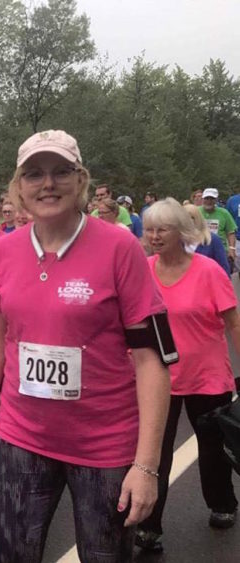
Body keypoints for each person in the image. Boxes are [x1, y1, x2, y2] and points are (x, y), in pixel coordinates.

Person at [0, 130, 171, 563]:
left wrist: (146, 465)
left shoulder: (120, 248)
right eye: (34, 174)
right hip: (20, 439)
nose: (48, 184)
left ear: (80, 180)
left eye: (61, 171)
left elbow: (151, 359)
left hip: (104, 448)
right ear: (18, 188)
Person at [137, 198, 239, 551]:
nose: (153, 236)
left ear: (181, 232)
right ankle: (149, 526)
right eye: (149, 229)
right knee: (154, 456)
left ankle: (223, 504)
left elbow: (234, 324)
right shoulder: (143, 270)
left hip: (207, 378)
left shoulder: (209, 271)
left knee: (212, 452)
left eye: (162, 229)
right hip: (158, 381)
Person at [183, 204, 231, 277]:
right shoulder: (177, 241)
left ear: (198, 219)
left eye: (192, 218)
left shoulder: (213, 240)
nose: (188, 221)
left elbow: (224, 269)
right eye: (184, 218)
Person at [200, 188, 237, 265]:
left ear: (216, 200)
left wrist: (232, 249)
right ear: (203, 199)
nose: (209, 201)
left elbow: (231, 232)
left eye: (212, 199)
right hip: (200, 249)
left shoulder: (224, 213)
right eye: (206, 198)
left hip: (220, 250)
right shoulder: (196, 212)